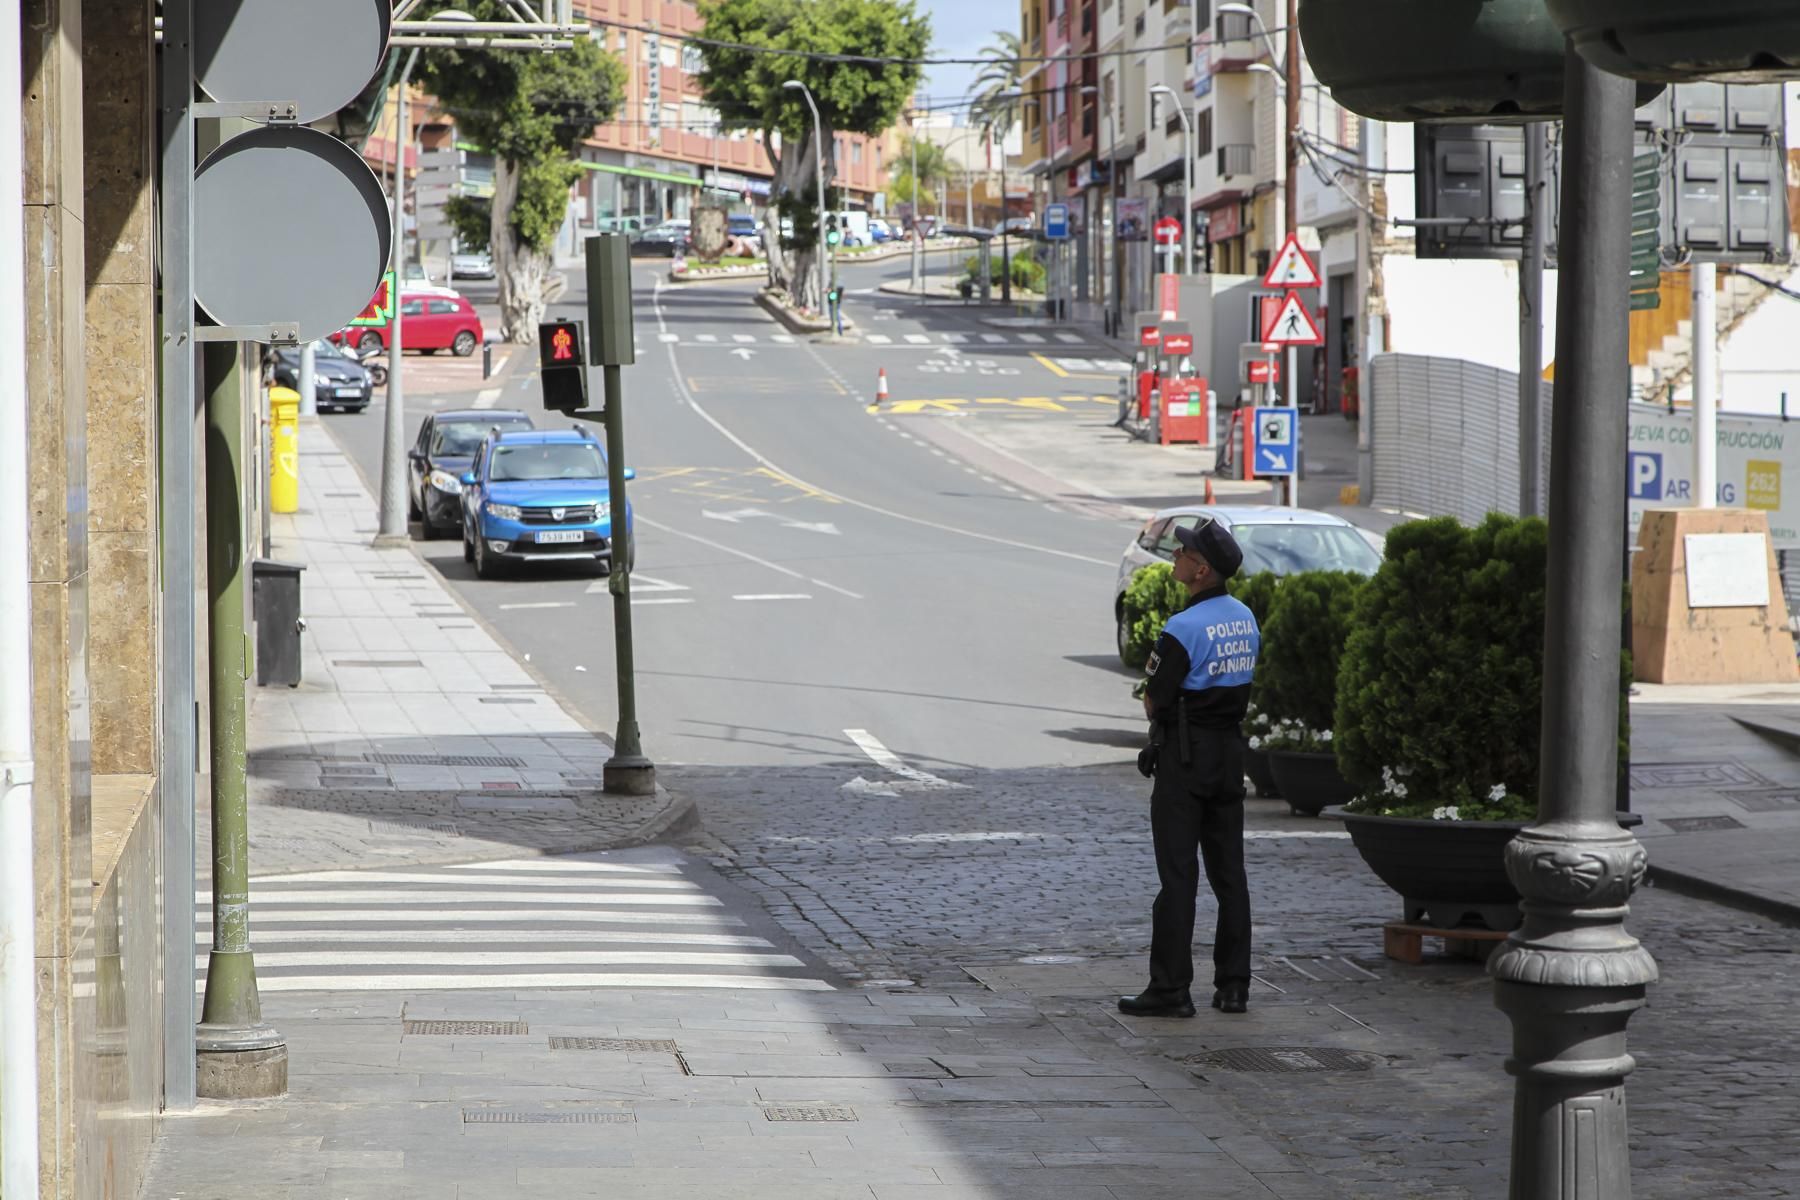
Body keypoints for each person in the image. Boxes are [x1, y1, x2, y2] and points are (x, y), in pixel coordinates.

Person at [1121, 519, 1260, 1018]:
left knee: (1178, 877)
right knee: (1231, 877)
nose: (1175, 556)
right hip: (1228, 756)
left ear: (1201, 569)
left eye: (1182, 552)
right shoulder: (1245, 617)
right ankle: (1235, 986)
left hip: (1184, 758)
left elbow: (1155, 700)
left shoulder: (1182, 628)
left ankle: (1171, 989)